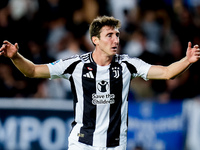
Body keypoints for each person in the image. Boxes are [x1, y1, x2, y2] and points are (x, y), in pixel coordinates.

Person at [0, 16, 200, 150]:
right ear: (95, 40)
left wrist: (187, 61)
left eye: (117, 35)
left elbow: (166, 73)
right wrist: (16, 57)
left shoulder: (127, 64)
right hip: (82, 144)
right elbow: (33, 71)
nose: (115, 40)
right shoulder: (75, 64)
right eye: (109, 36)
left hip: (115, 145)